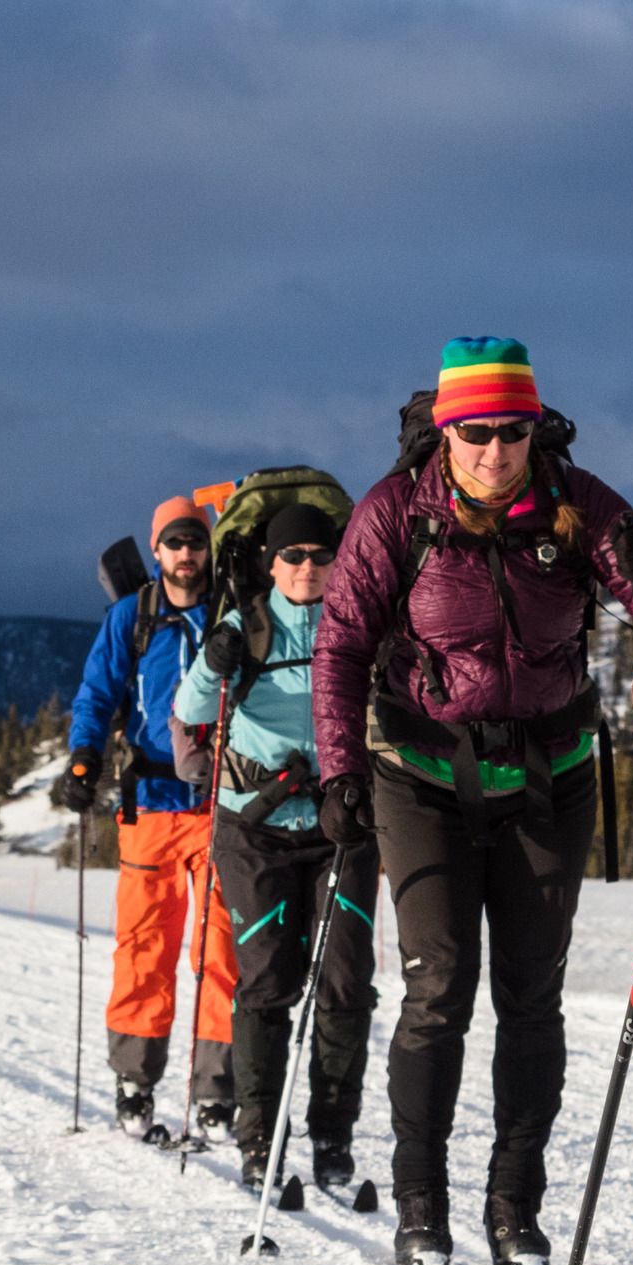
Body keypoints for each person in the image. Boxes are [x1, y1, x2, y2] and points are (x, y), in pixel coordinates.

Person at [314, 340, 633, 1265]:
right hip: (420, 776)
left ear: (533, 428)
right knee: (439, 989)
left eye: (512, 433)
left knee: (532, 999)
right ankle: (420, 1205)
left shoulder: (574, 502)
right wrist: (341, 771)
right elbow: (341, 647)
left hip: (550, 776)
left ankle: (516, 1208)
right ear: (447, 431)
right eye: (475, 434)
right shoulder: (398, 513)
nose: (495, 453)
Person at [170, 501, 375, 1193]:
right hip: (254, 827)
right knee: (266, 981)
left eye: (321, 555)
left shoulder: (359, 618)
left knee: (346, 979)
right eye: (294, 556)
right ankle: (260, 1137)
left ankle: (332, 1135)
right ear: (271, 563)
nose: (308, 568)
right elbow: (194, 712)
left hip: (340, 824)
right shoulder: (245, 625)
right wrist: (211, 663)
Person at [57, 491, 238, 1143]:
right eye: (175, 543)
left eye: (197, 542)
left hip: (225, 804)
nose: (187, 553)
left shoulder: (232, 613)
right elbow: (97, 692)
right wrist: (84, 755)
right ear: (156, 550)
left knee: (224, 949)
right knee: (145, 947)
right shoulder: (132, 617)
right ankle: (135, 1081)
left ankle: (218, 1089)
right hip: (151, 805)